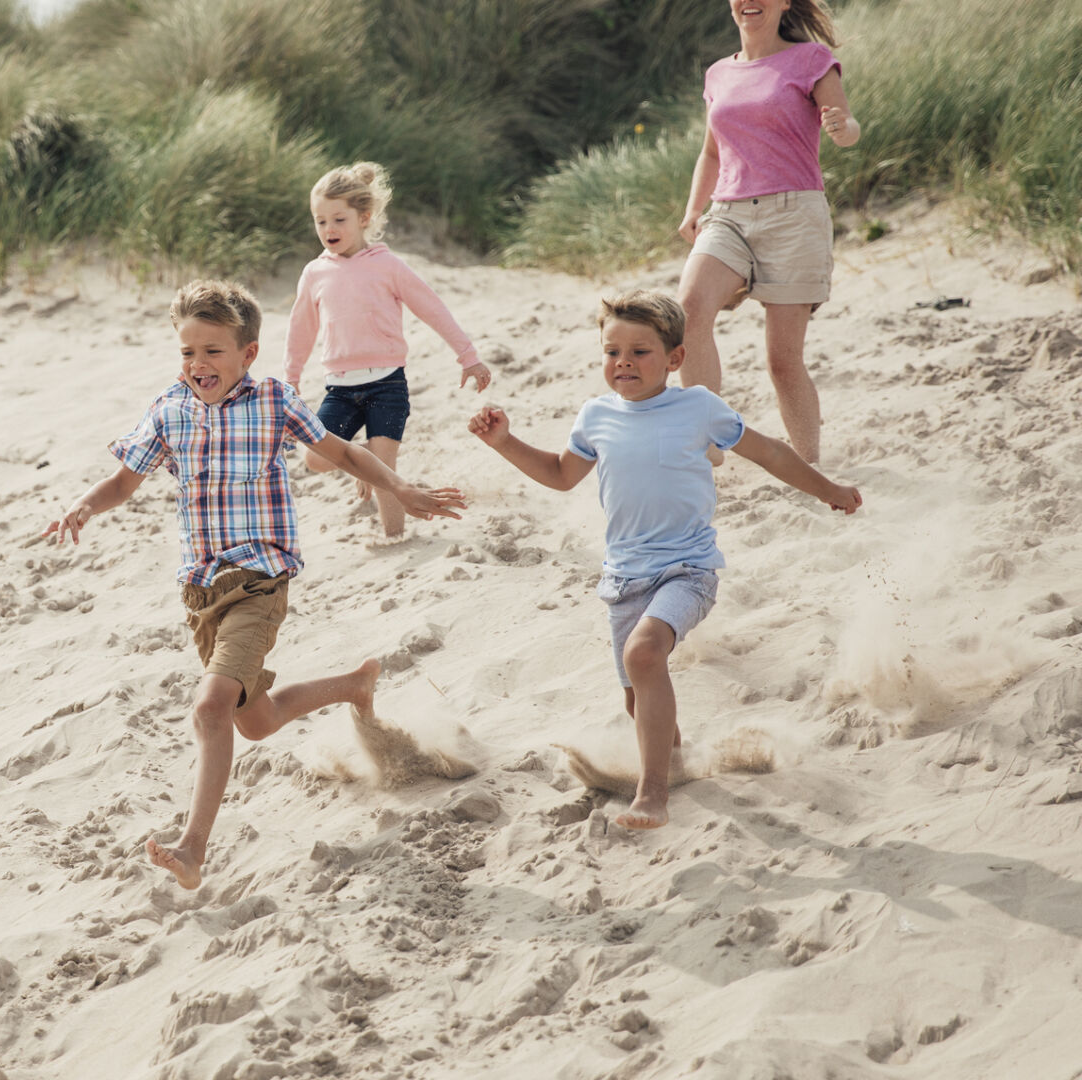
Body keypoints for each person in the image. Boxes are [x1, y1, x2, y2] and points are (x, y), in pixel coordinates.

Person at [43, 279, 469, 888]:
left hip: (260, 582)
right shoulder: (169, 409)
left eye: (213, 351)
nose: (198, 364)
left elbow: (346, 455)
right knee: (256, 720)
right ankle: (354, 685)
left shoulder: (272, 401)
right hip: (202, 592)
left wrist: (398, 487)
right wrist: (84, 506)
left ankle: (193, 848)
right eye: (188, 352)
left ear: (247, 353)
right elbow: (122, 482)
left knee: (210, 709)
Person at [467, 290, 860, 829]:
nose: (623, 362)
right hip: (623, 577)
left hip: (687, 569)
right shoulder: (596, 416)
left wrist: (827, 488)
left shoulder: (698, 407)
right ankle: (673, 764)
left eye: (640, 351)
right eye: (611, 352)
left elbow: (768, 451)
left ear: (674, 358)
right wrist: (505, 444)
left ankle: (653, 795)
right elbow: (561, 476)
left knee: (645, 655)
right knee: (638, 698)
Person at [677, 0, 860, 465]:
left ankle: (810, 466)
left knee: (782, 360)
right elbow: (711, 153)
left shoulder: (811, 60)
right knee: (690, 310)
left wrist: (842, 128)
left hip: (793, 214)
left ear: (784, 3)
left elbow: (847, 125)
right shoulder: (719, 73)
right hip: (728, 213)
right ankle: (706, 450)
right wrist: (694, 208)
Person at [284, 162, 491, 541]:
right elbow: (301, 328)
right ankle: (362, 457)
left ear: (363, 218)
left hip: (386, 386)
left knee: (387, 475)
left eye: (339, 220)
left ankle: (394, 537)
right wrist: (292, 379)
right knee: (315, 458)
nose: (328, 230)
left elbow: (431, 308)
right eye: (320, 221)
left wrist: (468, 356)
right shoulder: (315, 273)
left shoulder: (387, 266)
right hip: (340, 389)